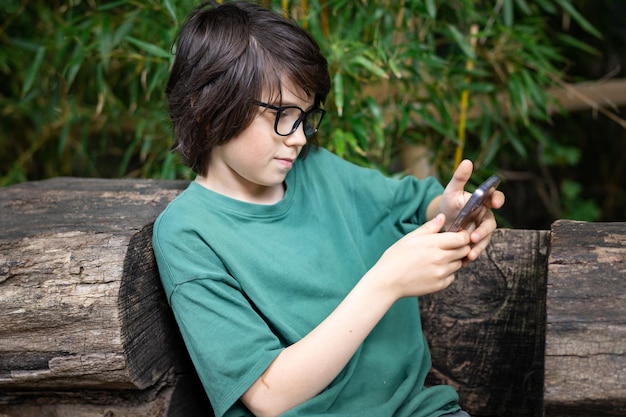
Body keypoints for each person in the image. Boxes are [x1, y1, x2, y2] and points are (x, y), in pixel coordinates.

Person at [152, 2, 505, 417]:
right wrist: (386, 281)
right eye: (282, 115)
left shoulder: (320, 172)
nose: (299, 137)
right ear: (206, 107)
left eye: (306, 116)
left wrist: (451, 208)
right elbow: (268, 394)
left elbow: (413, 203)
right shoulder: (189, 234)